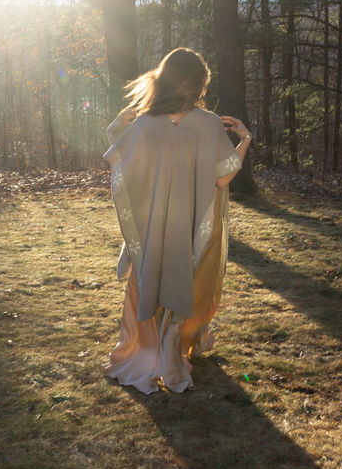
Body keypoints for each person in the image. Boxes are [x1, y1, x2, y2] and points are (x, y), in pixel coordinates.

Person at [103, 47, 252, 394]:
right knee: (186, 282)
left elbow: (123, 168)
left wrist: (117, 128)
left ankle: (144, 352)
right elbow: (222, 177)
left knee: (149, 280)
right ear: (199, 84)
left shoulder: (144, 125)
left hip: (154, 228)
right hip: (193, 226)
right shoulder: (208, 124)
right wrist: (244, 138)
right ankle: (173, 350)